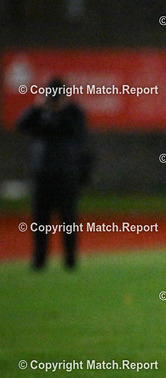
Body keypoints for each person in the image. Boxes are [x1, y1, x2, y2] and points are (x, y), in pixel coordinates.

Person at [17, 77, 89, 270]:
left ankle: (70, 259)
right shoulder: (40, 112)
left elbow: (80, 132)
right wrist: (36, 107)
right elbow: (21, 124)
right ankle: (39, 260)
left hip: (66, 174)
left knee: (68, 218)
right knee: (40, 219)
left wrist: (61, 111)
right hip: (42, 174)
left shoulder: (73, 112)